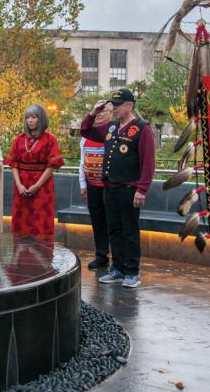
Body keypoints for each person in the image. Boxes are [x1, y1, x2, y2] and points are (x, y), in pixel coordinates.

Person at [80, 88, 155, 288]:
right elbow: (86, 131)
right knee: (114, 230)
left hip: (129, 188)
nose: (114, 108)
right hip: (110, 187)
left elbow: (148, 162)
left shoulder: (141, 128)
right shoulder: (111, 127)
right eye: (113, 104)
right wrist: (93, 113)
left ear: (129, 106)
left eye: (118, 104)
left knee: (129, 231)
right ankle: (118, 269)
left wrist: (142, 189)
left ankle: (132, 272)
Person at [6, 104, 64, 237]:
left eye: (34, 117)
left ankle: (41, 255)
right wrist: (19, 185)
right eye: (28, 117)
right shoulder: (19, 139)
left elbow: (51, 165)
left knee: (40, 218)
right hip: (21, 184)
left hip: (42, 185)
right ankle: (20, 253)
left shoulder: (50, 139)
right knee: (21, 218)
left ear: (41, 119)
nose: (30, 120)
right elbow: (13, 164)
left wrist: (37, 186)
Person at [79, 100, 113, 269]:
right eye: (97, 111)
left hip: (110, 187)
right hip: (92, 186)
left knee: (113, 221)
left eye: (103, 111)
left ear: (111, 113)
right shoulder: (87, 136)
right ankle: (101, 255)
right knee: (97, 221)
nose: (100, 114)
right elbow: (81, 161)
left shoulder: (112, 133)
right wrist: (82, 184)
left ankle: (118, 257)